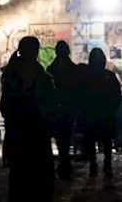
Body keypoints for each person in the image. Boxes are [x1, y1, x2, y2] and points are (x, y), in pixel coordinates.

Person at [0, 36, 55, 202]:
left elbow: (5, 107)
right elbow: (50, 106)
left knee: (19, 179)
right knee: (37, 180)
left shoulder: (11, 75)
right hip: (35, 134)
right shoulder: (43, 77)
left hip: (20, 134)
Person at [80, 48, 122, 177]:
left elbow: (80, 96)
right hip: (106, 114)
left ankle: (94, 165)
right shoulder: (109, 76)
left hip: (91, 115)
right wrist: (112, 109)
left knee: (92, 141)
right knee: (107, 142)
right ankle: (106, 166)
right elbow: (117, 96)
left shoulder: (86, 77)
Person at [46, 40, 79, 180]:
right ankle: (65, 163)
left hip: (57, 109)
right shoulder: (73, 69)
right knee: (65, 137)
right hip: (68, 108)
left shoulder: (51, 69)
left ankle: (64, 163)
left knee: (61, 139)